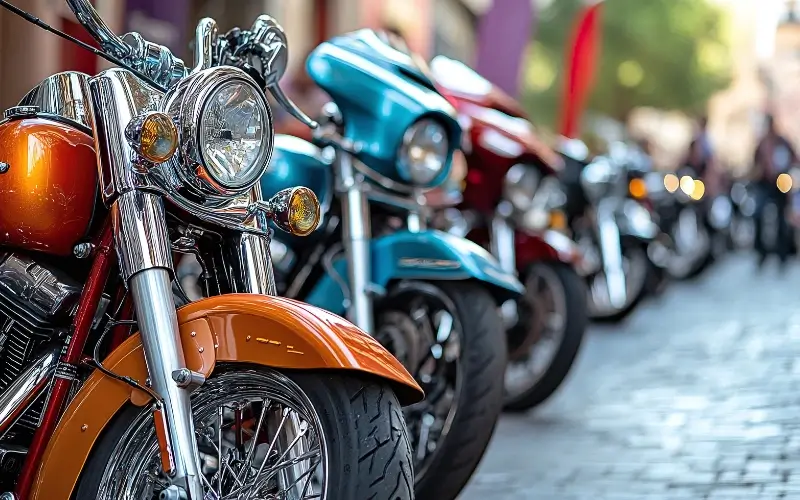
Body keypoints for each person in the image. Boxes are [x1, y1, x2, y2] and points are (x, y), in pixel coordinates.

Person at [751, 114, 797, 267]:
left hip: (781, 183)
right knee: (758, 214)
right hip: (765, 184)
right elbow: (755, 165)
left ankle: (782, 254)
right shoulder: (762, 143)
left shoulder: (782, 142)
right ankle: (761, 252)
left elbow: (794, 159)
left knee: (782, 219)